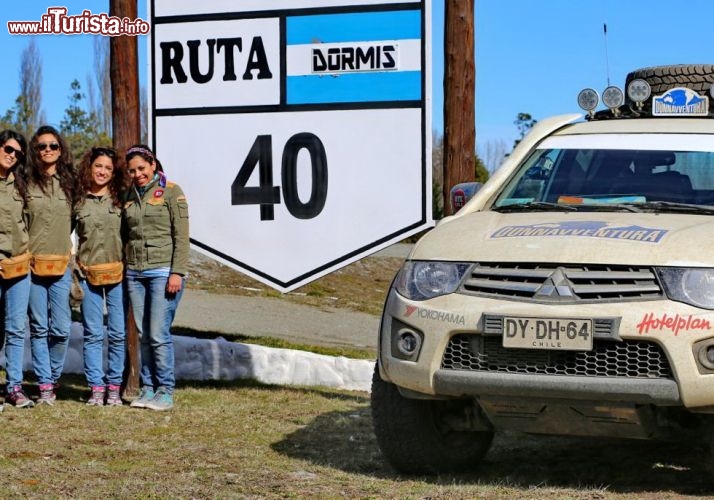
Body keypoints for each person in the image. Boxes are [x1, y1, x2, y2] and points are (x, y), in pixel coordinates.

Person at [123, 145, 189, 411]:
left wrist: (178, 272)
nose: (137, 174)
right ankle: (148, 388)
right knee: (143, 333)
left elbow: (181, 236)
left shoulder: (172, 191)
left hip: (162, 272)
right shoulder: (129, 195)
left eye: (141, 168)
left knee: (159, 333)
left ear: (152, 164)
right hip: (135, 273)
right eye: (132, 170)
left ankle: (165, 391)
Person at [24, 125, 76, 405]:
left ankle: (52, 377)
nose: (47, 150)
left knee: (62, 329)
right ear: (35, 150)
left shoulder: (71, 183)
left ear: (61, 150)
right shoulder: (26, 182)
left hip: (61, 267)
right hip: (31, 268)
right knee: (39, 328)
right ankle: (45, 385)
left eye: (53, 146)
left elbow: (80, 220)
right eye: (42, 146)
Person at [74, 146, 126, 406]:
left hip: (117, 275)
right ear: (89, 167)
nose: (103, 171)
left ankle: (114, 387)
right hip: (87, 276)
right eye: (98, 166)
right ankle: (96, 386)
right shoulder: (78, 200)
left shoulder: (121, 199)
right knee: (92, 333)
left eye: (108, 168)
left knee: (117, 333)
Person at [0, 130, 33, 409]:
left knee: (16, 329)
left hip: (19, 265)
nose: (12, 156)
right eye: (8, 149)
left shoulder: (22, 185)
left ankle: (14, 387)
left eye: (18, 154)